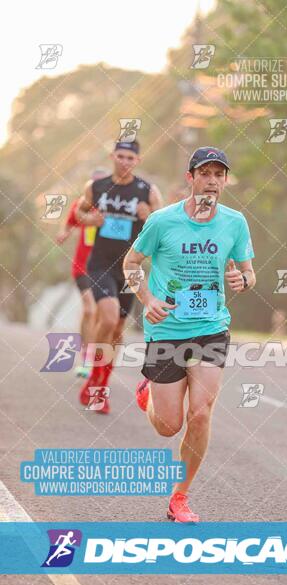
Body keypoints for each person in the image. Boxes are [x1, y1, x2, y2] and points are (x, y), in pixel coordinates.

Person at [123, 146, 256, 522]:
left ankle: (179, 497)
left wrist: (241, 280)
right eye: (205, 173)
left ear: (225, 180)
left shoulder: (235, 223)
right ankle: (149, 392)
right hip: (166, 330)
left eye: (219, 174)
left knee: (200, 413)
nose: (212, 181)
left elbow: (248, 274)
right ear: (191, 178)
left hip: (211, 328)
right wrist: (146, 298)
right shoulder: (163, 222)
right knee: (169, 426)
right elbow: (132, 263)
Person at [76, 140, 162, 413]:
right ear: (112, 156)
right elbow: (78, 212)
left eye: (130, 157)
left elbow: (164, 227)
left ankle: (100, 380)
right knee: (109, 316)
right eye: (120, 156)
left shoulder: (147, 191)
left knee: (116, 330)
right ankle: (95, 381)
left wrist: (149, 217)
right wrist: (90, 219)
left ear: (137, 160)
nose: (124, 161)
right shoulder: (97, 187)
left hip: (130, 268)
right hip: (100, 264)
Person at [56, 167, 109, 377]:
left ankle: (95, 356)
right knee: (89, 309)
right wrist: (63, 234)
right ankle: (85, 358)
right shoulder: (82, 205)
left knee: (100, 313)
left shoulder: (113, 208)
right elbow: (68, 223)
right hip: (82, 266)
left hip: (105, 267)